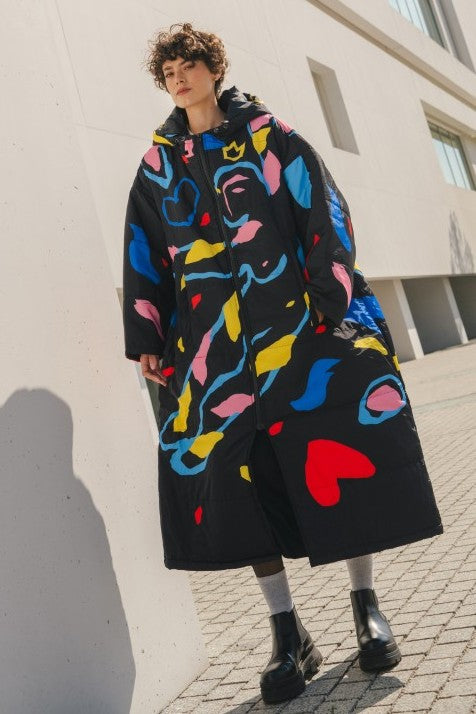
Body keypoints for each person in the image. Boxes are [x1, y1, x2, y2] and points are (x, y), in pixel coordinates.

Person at [122, 21, 443, 705]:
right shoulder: (157, 167)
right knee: (240, 483)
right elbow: (144, 253)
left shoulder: (272, 139)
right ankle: (287, 632)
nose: (177, 80)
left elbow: (323, 213)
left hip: (299, 334)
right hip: (218, 354)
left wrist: (329, 301)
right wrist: (148, 335)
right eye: (167, 73)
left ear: (213, 69)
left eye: (187, 67)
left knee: (337, 452)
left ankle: (366, 608)